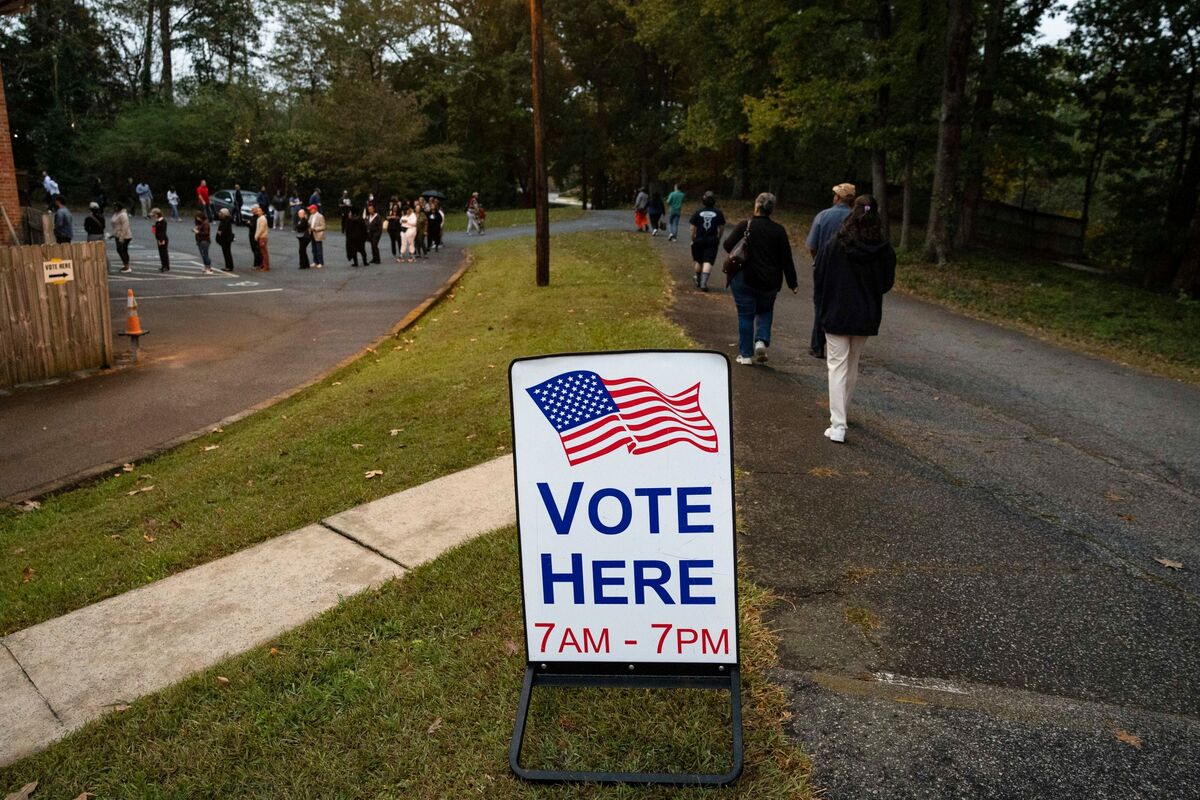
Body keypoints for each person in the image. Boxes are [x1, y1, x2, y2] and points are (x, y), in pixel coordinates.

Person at [814, 194, 896, 443]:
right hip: (865, 313)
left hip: (837, 310)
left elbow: (820, 274)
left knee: (836, 365)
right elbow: (886, 283)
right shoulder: (883, 249)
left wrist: (822, 304)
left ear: (853, 212)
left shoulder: (835, 244)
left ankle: (838, 424)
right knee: (852, 364)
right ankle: (842, 415)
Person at [722, 192, 798, 365]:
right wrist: (792, 283)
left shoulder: (745, 226)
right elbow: (787, 259)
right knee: (765, 310)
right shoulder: (779, 231)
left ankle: (746, 355)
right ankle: (761, 341)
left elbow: (727, 246)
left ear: (756, 206)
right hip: (770, 281)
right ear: (771, 209)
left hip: (745, 279)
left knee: (745, 315)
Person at [805, 182, 856, 359]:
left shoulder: (823, 216)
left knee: (821, 303)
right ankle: (843, 345)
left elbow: (812, 245)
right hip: (850, 270)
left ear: (837, 198)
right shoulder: (856, 218)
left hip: (824, 268)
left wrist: (818, 260)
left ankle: (817, 345)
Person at [688, 191, 725, 291]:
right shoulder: (718, 213)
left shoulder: (698, 212)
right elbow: (721, 228)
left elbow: (692, 228)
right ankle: (704, 283)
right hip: (712, 240)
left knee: (698, 261)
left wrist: (693, 239)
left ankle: (698, 278)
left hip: (699, 240)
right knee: (708, 261)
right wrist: (719, 237)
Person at [111, 202, 132, 272]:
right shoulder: (116, 214)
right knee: (119, 250)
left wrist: (122, 237)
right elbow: (116, 226)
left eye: (115, 206)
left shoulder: (123, 214)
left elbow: (125, 226)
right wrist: (113, 235)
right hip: (118, 235)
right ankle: (125, 265)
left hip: (125, 236)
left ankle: (127, 266)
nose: (114, 208)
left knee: (123, 250)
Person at [215, 208, 235, 272]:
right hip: (225, 239)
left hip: (226, 240)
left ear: (224, 214)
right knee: (226, 253)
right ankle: (227, 266)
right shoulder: (223, 220)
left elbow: (225, 231)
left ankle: (229, 266)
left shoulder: (227, 221)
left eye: (221, 213)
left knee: (227, 253)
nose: (219, 214)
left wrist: (220, 233)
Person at [253, 206, 270, 271]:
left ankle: (266, 266)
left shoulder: (263, 219)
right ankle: (263, 265)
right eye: (257, 211)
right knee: (262, 252)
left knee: (264, 253)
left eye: (259, 211)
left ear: (262, 212)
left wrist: (256, 236)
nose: (258, 212)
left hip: (262, 237)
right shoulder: (259, 218)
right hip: (261, 237)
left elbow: (261, 229)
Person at [308, 204, 325, 268]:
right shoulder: (311, 216)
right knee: (313, 249)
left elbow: (323, 226)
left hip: (318, 234)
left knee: (319, 249)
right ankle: (315, 261)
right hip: (312, 234)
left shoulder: (320, 216)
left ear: (314, 209)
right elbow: (309, 223)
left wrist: (315, 229)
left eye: (311, 209)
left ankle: (320, 262)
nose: (310, 210)